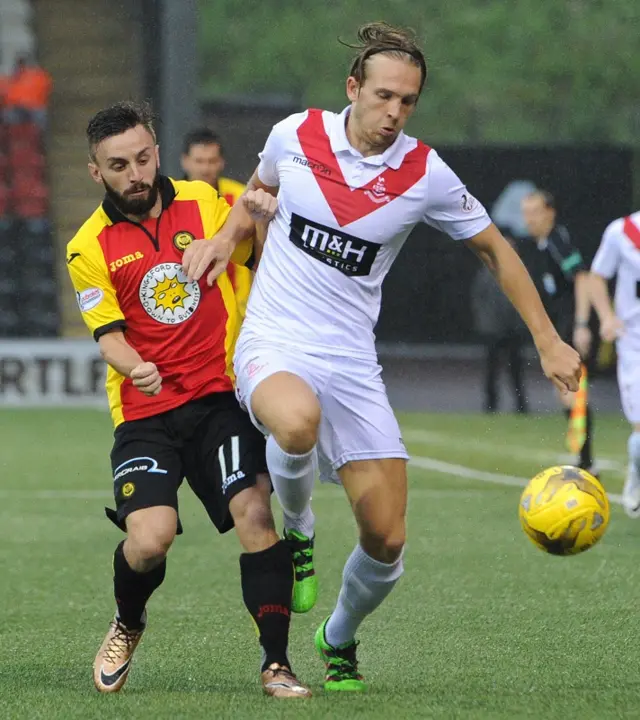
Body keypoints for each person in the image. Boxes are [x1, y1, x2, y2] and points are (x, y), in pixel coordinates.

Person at [182, 22, 581, 692]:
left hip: (352, 365)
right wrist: (227, 234)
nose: (395, 112)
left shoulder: (424, 173)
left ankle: (337, 637)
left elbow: (495, 249)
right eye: (385, 96)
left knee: (388, 541)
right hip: (273, 340)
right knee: (296, 421)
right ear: (353, 88)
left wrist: (546, 336)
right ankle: (299, 530)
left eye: (409, 101)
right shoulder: (297, 134)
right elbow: (258, 188)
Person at [66, 101, 310, 698]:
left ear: (157, 149)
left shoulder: (206, 204)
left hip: (218, 399)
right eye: (119, 165)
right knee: (150, 538)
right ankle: (128, 621)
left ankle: (276, 663)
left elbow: (259, 250)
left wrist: (262, 219)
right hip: (145, 413)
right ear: (97, 171)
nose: (136, 174)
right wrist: (138, 367)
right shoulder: (88, 246)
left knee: (254, 513)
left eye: (143, 158)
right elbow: (109, 338)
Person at [521, 190, 596, 473]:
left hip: (571, 326)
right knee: (566, 391)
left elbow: (582, 277)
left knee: (573, 391)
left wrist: (581, 324)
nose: (529, 219)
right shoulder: (540, 245)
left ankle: (587, 460)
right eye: (525, 213)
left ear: (550, 212)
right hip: (558, 327)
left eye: (534, 212)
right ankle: (584, 456)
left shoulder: (557, 241)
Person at [588, 211, 640, 517]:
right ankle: (636, 469)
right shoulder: (622, 231)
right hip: (634, 342)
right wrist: (606, 316)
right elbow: (597, 277)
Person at [471, 231, 528, 413]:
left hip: (513, 329)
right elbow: (479, 299)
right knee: (491, 370)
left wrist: (520, 324)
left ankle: (521, 404)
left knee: (516, 370)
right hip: (493, 329)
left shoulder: (521, 273)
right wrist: (486, 323)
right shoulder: (487, 271)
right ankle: (490, 404)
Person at [181, 128, 253, 266]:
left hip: (235, 287)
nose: (205, 169)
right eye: (199, 161)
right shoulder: (171, 198)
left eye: (211, 161)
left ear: (221, 162)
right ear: (185, 161)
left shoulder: (241, 196)